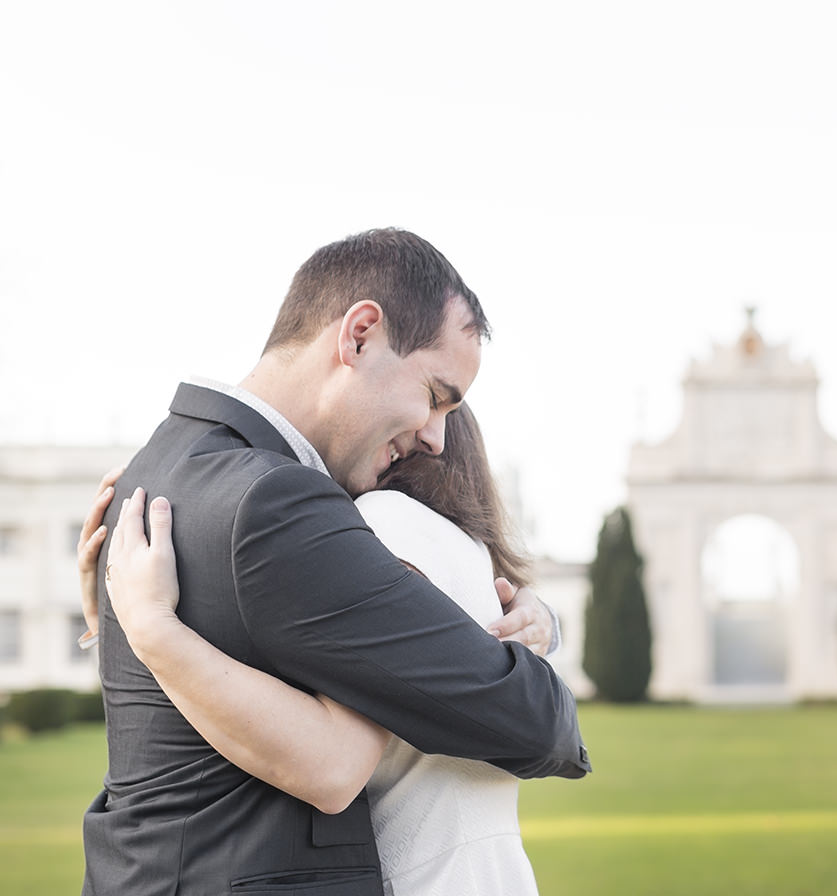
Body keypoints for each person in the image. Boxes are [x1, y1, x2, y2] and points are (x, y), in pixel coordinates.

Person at [79, 229, 590, 896]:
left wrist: (542, 616)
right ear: (358, 336)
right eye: (436, 395)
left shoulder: (156, 468)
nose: (437, 438)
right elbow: (528, 720)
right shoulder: (278, 501)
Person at [80, 403, 548, 895]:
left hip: (421, 874)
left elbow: (333, 762)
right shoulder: (470, 550)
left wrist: (144, 626)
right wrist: (107, 619)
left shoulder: (384, 521)